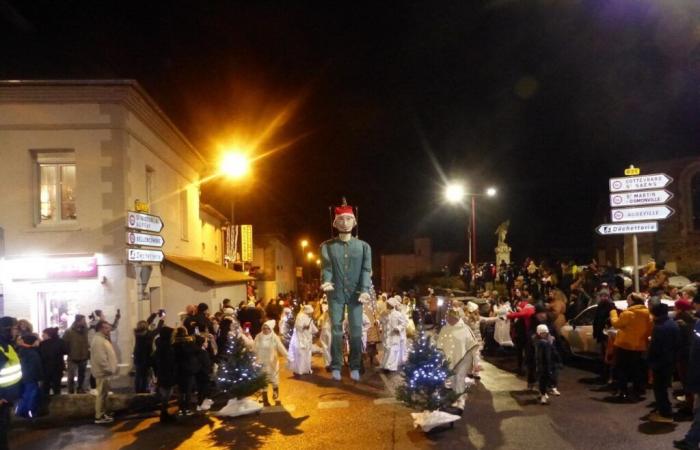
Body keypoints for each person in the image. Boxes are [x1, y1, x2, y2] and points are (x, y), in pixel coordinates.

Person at [320, 200, 372, 381]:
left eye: (348, 218)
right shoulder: (327, 246)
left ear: (354, 221)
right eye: (341, 219)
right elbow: (326, 267)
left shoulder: (364, 247)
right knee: (336, 329)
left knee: (356, 330)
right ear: (335, 222)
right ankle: (336, 364)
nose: (344, 222)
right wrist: (326, 281)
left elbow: (366, 269)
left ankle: (355, 365)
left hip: (357, 294)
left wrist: (365, 288)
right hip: (335, 293)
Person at [609, 293, 652, 402]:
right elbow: (649, 329)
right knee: (637, 369)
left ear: (633, 301)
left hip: (625, 345)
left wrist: (613, 313)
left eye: (628, 299)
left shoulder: (627, 313)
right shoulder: (647, 313)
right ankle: (638, 390)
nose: (627, 301)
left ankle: (622, 391)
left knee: (622, 369)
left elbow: (616, 324)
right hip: (639, 345)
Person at [437, 308, 480, 411]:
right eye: (447, 317)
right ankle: (453, 398)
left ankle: (460, 402)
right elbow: (440, 344)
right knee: (451, 379)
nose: (448, 319)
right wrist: (439, 356)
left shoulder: (465, 329)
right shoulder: (444, 329)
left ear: (455, 318)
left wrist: (476, 362)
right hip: (449, 358)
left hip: (464, 358)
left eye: (450, 317)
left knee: (460, 378)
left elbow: (473, 346)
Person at [646, 302, 680, 423]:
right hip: (670, 361)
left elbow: (655, 348)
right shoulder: (673, 324)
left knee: (659, 389)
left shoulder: (659, 328)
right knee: (664, 388)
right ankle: (664, 410)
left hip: (660, 363)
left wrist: (649, 361)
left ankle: (665, 414)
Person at [254, 320, 288, 406]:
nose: (265, 330)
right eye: (264, 328)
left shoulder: (274, 338)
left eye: (267, 328)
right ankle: (265, 398)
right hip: (261, 362)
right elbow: (253, 347)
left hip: (272, 362)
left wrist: (288, 356)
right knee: (263, 380)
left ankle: (275, 392)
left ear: (271, 329)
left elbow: (281, 348)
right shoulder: (258, 337)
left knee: (273, 378)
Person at [0, 317, 22, 450]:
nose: (16, 332)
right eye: (14, 328)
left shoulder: (5, 345)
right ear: (6, 330)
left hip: (6, 396)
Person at [90, 320, 118, 424]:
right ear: (101, 328)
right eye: (106, 328)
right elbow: (101, 359)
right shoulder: (98, 340)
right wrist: (109, 369)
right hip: (103, 372)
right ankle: (99, 416)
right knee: (101, 395)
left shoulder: (101, 339)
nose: (109, 329)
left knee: (104, 394)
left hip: (105, 372)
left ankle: (103, 413)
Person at [676, 297, 698, 416]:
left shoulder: (680, 322)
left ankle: (689, 406)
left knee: (686, 380)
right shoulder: (694, 320)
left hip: (684, 354)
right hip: (691, 353)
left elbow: (678, 340)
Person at [133, 312, 164, 393]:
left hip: (137, 356)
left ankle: (137, 390)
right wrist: (161, 319)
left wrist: (154, 315)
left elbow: (147, 323)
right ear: (146, 327)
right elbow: (158, 329)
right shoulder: (149, 335)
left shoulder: (137, 333)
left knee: (138, 374)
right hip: (146, 358)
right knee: (144, 376)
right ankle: (143, 391)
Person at [173, 327, 199, 416]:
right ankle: (187, 409)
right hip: (189, 370)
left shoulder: (174, 344)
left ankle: (180, 409)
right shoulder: (190, 343)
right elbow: (196, 352)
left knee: (180, 391)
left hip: (178, 370)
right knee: (188, 391)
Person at [15, 334, 42, 418]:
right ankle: (30, 412)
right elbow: (37, 367)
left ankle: (20, 410)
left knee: (25, 394)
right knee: (32, 395)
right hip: (31, 377)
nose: (39, 341)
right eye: (37, 340)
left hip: (23, 377)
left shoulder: (21, 351)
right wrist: (40, 378)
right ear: (33, 342)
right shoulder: (32, 353)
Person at [153, 326, 177, 423]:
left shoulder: (161, 345)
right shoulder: (166, 347)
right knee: (166, 394)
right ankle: (164, 415)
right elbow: (169, 362)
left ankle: (164, 413)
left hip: (162, 373)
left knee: (166, 394)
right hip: (166, 373)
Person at [592, 288, 615, 386]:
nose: (603, 297)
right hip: (601, 335)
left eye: (605, 296)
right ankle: (603, 375)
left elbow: (611, 320)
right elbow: (596, 321)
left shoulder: (611, 306)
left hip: (607, 335)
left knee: (608, 357)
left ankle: (609, 377)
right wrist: (595, 332)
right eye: (602, 296)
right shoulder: (599, 306)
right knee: (602, 356)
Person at [534, 324, 561, 405]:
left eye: (545, 333)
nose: (544, 335)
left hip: (551, 363)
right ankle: (543, 394)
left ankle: (552, 388)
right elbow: (535, 354)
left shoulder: (551, 340)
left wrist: (558, 360)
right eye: (542, 333)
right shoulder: (537, 342)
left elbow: (554, 351)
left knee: (553, 376)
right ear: (538, 333)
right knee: (543, 379)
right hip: (542, 364)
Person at [63, 314, 90, 393]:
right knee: (71, 376)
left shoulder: (85, 330)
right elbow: (65, 343)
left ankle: (80, 389)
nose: (85, 322)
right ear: (78, 321)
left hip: (83, 356)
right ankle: (70, 391)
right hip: (72, 357)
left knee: (82, 375)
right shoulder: (69, 331)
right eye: (83, 320)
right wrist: (68, 352)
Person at [288, 305, 317, 376]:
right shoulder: (300, 316)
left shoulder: (309, 318)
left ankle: (306, 369)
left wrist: (316, 331)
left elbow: (312, 327)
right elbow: (298, 326)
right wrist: (304, 327)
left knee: (307, 354)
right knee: (300, 354)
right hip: (300, 338)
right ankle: (299, 370)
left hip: (307, 338)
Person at [380, 297, 408, 372]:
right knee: (387, 350)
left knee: (392, 351)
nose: (387, 305)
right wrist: (379, 322)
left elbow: (404, 323)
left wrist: (398, 328)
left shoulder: (398, 314)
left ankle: (390, 367)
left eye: (388, 304)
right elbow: (381, 321)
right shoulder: (384, 313)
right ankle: (385, 365)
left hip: (394, 336)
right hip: (386, 336)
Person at [39, 327, 67, 396]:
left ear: (49, 334)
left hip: (46, 369)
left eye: (44, 334)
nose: (42, 335)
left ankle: (46, 403)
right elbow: (66, 351)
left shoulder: (42, 344)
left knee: (46, 387)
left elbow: (41, 356)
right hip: (58, 367)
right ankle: (58, 402)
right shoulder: (60, 342)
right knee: (56, 387)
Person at [193, 335, 213, 412]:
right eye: (206, 341)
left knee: (201, 390)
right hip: (204, 374)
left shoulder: (196, 351)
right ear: (202, 343)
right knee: (203, 390)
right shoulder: (203, 352)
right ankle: (201, 405)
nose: (207, 343)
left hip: (199, 374)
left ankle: (200, 404)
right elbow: (207, 363)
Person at [318, 303, 333, 370]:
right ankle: (330, 363)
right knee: (329, 347)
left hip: (324, 331)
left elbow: (319, 322)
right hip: (329, 331)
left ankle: (328, 363)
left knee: (325, 348)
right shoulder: (332, 314)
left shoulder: (324, 314)